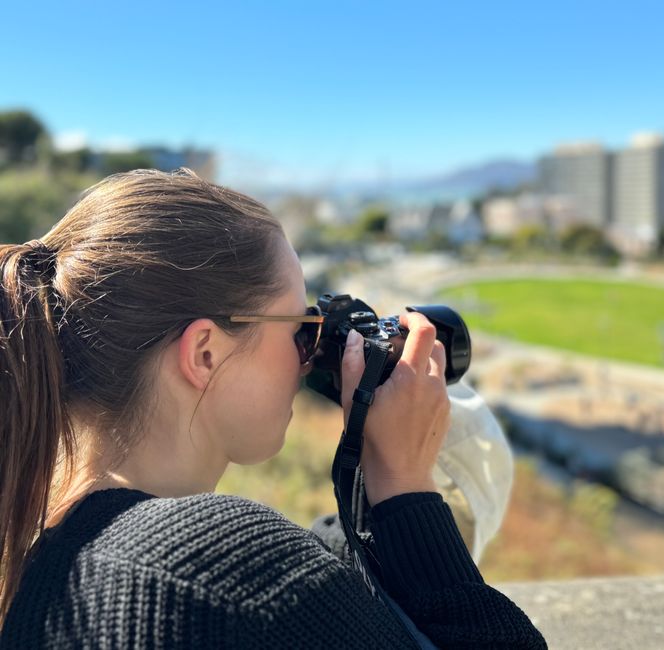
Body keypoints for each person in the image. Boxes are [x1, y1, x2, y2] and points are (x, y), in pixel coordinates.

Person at [0, 168, 546, 648]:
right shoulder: (222, 576)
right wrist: (404, 482)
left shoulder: (27, 542)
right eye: (300, 331)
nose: (309, 360)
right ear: (205, 353)